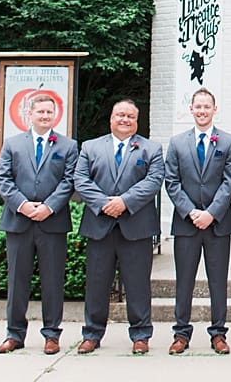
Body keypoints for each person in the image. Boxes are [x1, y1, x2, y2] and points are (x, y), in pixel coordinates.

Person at [73, 99, 165, 355]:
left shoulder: (151, 149)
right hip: (99, 225)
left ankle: (141, 335)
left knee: (138, 284)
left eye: (130, 116)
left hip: (136, 226)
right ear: (111, 118)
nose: (124, 120)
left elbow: (154, 180)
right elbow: (80, 179)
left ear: (137, 121)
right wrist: (104, 204)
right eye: (120, 115)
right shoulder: (90, 147)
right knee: (96, 283)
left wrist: (124, 202)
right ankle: (91, 334)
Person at [0, 93, 78, 355]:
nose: (44, 116)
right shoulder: (12, 144)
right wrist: (24, 205)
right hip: (19, 221)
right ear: (29, 114)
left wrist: (48, 207)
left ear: (55, 116)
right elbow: (4, 180)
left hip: (52, 223)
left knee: (52, 281)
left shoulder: (68, 146)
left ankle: (52, 334)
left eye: (49, 112)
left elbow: (69, 181)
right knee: (17, 280)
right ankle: (14, 334)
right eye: (39, 112)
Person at [165, 87, 231, 355]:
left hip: (218, 223)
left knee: (217, 280)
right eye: (198, 106)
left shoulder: (229, 142)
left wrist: (211, 213)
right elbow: (171, 182)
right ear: (191, 109)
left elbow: (230, 181)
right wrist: (191, 212)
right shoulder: (177, 143)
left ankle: (218, 333)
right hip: (186, 223)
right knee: (184, 280)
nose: (202, 111)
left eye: (207, 106)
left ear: (214, 109)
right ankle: (181, 333)